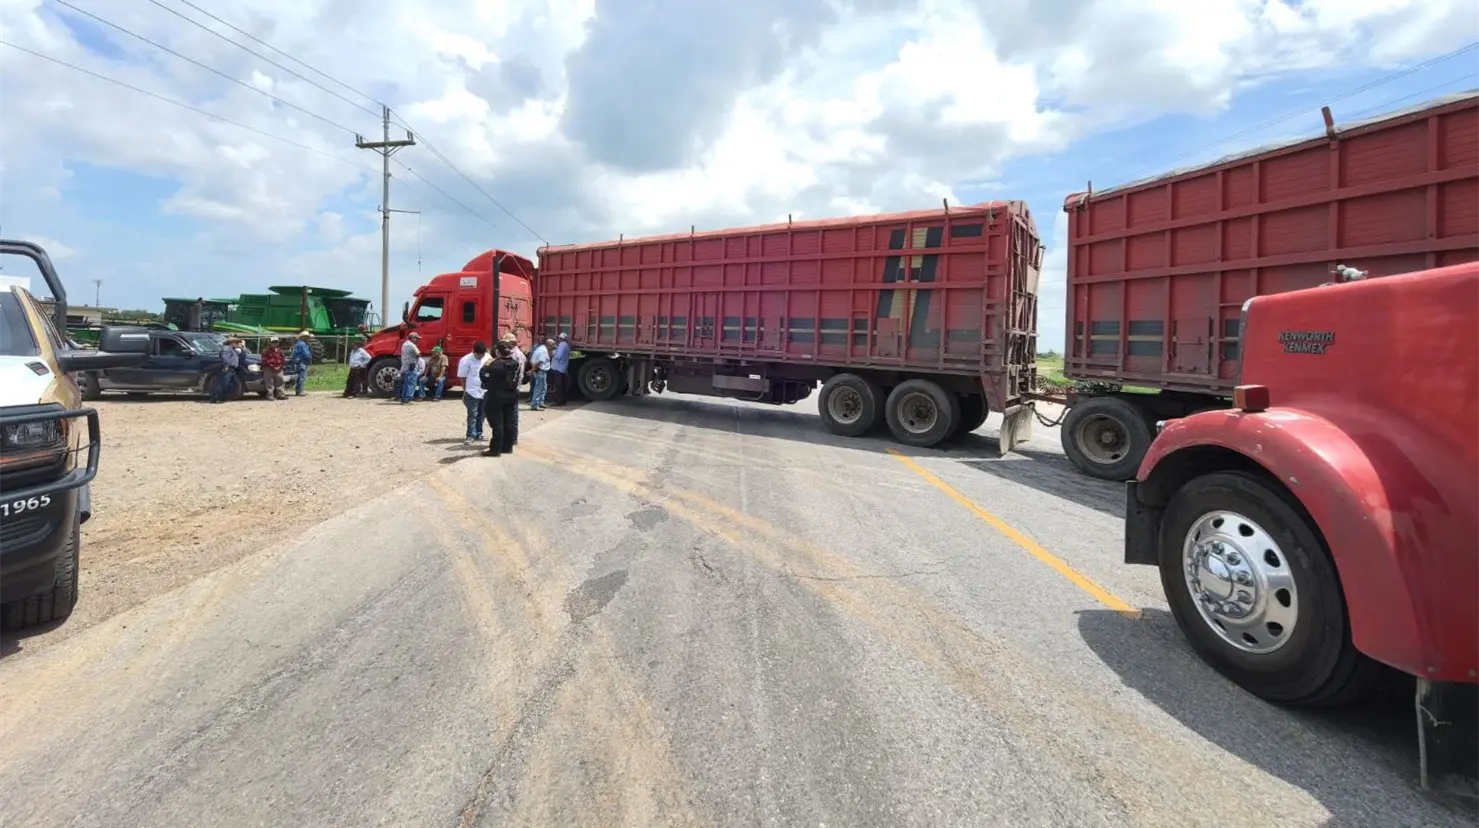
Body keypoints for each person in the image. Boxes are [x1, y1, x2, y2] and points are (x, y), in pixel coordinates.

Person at [479, 340, 521, 456]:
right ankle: (507, 446)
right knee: (509, 421)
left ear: (498, 351)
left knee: (497, 423)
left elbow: (484, 377)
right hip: (511, 395)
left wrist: (485, 367)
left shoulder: (494, 364)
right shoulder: (515, 363)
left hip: (496, 396)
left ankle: (495, 449)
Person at [457, 341, 490, 444]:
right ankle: (470, 435)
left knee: (482, 414)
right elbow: (462, 377)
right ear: (473, 352)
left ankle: (479, 433)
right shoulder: (466, 360)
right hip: (471, 391)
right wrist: (465, 390)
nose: (480, 357)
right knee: (472, 414)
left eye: (482, 355)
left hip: (484, 391)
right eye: (478, 355)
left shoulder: (488, 357)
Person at [210, 338, 240, 403]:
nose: (237, 344)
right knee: (222, 384)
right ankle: (216, 398)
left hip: (231, 369)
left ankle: (222, 398)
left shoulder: (231, 349)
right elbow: (224, 358)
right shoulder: (226, 349)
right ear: (232, 343)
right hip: (227, 368)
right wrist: (226, 366)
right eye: (236, 343)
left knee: (229, 384)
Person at [528, 337, 552, 411]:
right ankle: (534, 405)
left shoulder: (540, 349)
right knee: (539, 388)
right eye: (553, 345)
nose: (554, 346)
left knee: (543, 387)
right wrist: (532, 370)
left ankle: (540, 402)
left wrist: (533, 369)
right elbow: (539, 362)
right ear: (548, 344)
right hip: (541, 371)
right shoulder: (543, 351)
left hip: (539, 370)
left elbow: (532, 360)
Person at [399, 332, 421, 404]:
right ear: (412, 338)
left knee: (406, 384)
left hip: (405, 366)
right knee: (411, 383)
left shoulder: (405, 344)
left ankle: (403, 399)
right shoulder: (412, 345)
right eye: (416, 338)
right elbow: (418, 353)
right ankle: (407, 399)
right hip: (412, 366)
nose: (417, 340)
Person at [550, 332, 571, 405]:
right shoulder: (567, 345)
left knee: (558, 386)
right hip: (563, 368)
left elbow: (558, 356)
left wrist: (553, 353)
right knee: (563, 385)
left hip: (558, 368)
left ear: (560, 338)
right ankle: (563, 400)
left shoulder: (562, 345)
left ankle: (559, 401)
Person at [290, 332, 314, 396]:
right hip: (302, 362)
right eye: (306, 337)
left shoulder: (298, 344)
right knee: (301, 377)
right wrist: (310, 357)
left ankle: (299, 390)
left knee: (300, 377)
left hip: (299, 362)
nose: (308, 338)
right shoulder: (302, 344)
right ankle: (300, 391)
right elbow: (306, 354)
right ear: (302, 337)